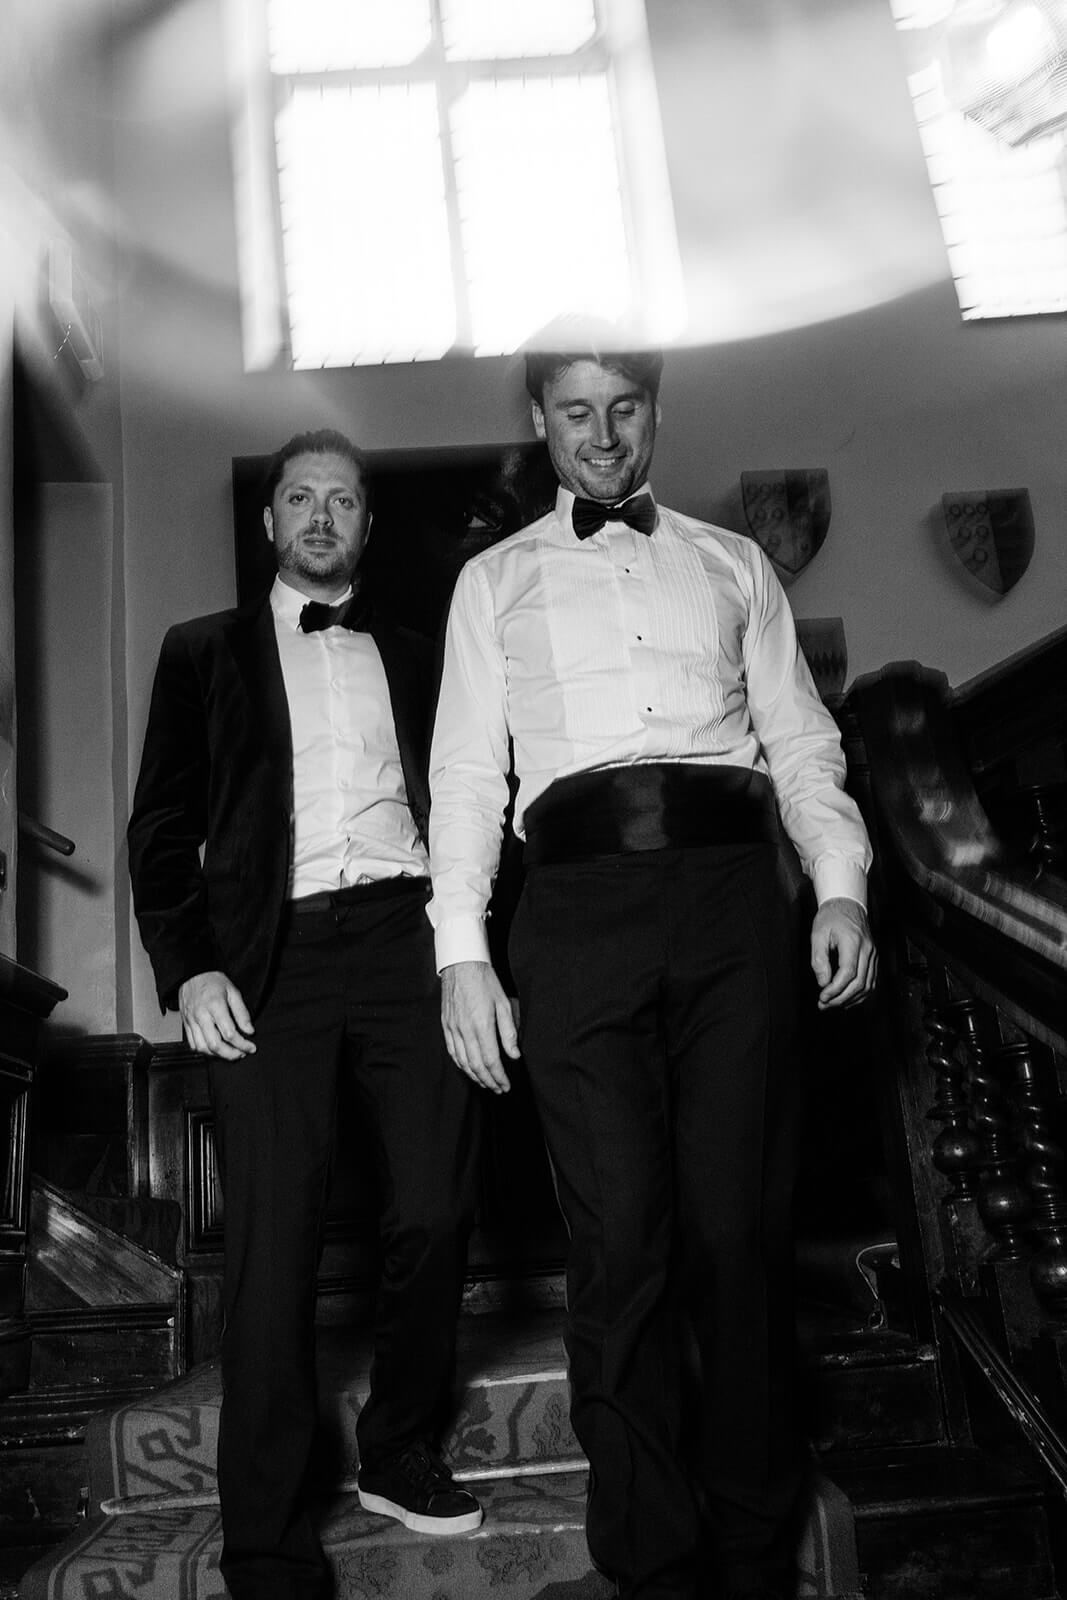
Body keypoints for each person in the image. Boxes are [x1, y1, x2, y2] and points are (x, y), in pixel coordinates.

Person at [427, 327, 876, 1600]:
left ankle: (750, 1551)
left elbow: (801, 743)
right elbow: (464, 775)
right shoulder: (493, 580)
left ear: (654, 416)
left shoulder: (733, 564)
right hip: (570, 913)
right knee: (619, 1244)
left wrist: (836, 887)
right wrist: (461, 950)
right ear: (539, 421)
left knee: (736, 1237)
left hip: (736, 905)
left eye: (623, 407)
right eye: (574, 412)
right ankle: (651, 1562)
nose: (602, 433)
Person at [128, 429, 482, 1600]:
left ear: (367, 528)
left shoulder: (426, 653)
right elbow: (159, 830)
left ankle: (399, 1449)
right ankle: (269, 1542)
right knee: (273, 1246)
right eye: (300, 498)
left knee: (432, 1205)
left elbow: (478, 799)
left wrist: (473, 946)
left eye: (343, 500)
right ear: (269, 522)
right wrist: (189, 970)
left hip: (404, 936)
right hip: (267, 957)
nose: (321, 515)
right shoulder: (203, 652)